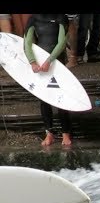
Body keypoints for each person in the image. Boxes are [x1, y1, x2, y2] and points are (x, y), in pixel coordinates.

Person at [23, 14, 73, 146]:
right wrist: (33, 61)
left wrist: (50, 60)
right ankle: (49, 133)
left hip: (58, 62)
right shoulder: (33, 18)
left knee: (60, 98)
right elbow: (27, 42)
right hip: (40, 62)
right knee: (44, 99)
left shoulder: (61, 17)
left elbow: (62, 42)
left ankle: (66, 133)